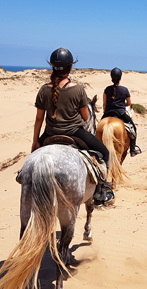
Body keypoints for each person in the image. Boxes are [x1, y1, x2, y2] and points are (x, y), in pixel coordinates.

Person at [31, 47, 114, 205]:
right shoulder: (78, 89)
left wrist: (35, 140)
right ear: (70, 67)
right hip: (75, 133)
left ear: (52, 66)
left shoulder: (43, 90)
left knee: (31, 160)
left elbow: (38, 119)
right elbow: (85, 116)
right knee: (104, 152)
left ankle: (23, 176)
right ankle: (101, 190)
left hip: (49, 134)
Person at [102, 67, 141, 157]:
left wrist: (105, 112)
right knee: (133, 129)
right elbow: (129, 103)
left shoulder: (106, 89)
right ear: (120, 78)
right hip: (120, 113)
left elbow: (104, 103)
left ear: (111, 77)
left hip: (107, 113)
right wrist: (124, 105)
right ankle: (132, 149)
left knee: (97, 128)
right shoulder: (124, 90)